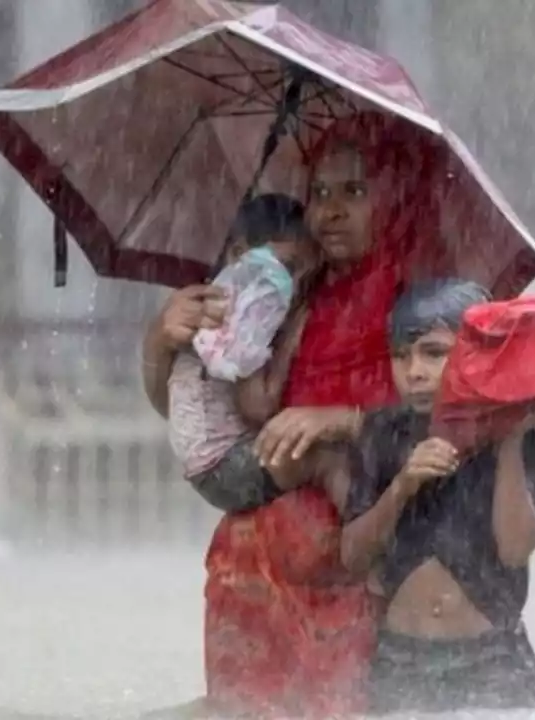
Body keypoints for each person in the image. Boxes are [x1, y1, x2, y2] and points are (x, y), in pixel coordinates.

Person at [141, 111, 448, 717]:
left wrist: (342, 419)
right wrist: (161, 343)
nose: (330, 210)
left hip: (362, 559)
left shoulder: (418, 297)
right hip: (254, 563)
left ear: (394, 200)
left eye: (355, 192)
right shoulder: (278, 288)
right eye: (319, 193)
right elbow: (201, 418)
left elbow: (448, 420)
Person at [341, 278, 535, 714]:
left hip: (492, 658)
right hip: (401, 659)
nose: (414, 372)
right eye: (401, 356)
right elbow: (352, 557)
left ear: (476, 355)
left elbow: (515, 549)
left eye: (434, 353)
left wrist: (511, 441)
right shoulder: (383, 435)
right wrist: (403, 485)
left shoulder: (517, 435)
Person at [169, 193, 321, 513]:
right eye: (288, 268)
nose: (293, 287)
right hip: (226, 465)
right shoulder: (245, 314)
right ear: (239, 253)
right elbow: (258, 407)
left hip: (205, 464)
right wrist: (292, 342)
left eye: (305, 278)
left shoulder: (221, 293)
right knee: (329, 460)